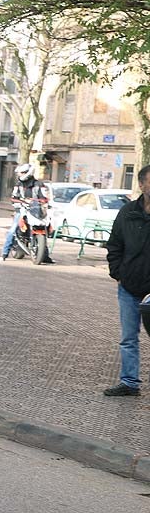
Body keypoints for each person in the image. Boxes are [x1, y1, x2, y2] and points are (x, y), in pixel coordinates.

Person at [104, 164, 150, 396]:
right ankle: (130, 383)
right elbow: (114, 245)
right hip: (129, 287)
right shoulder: (127, 212)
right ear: (141, 184)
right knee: (128, 338)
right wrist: (118, 273)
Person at [0, 163, 53, 262]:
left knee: (46, 226)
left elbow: (44, 197)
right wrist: (19, 203)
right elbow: (13, 197)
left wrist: (44, 202)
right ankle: (4, 253)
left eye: (22, 173)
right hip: (22, 209)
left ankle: (45, 255)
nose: (20, 175)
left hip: (35, 209)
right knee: (13, 230)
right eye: (20, 173)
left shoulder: (39, 184)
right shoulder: (18, 184)